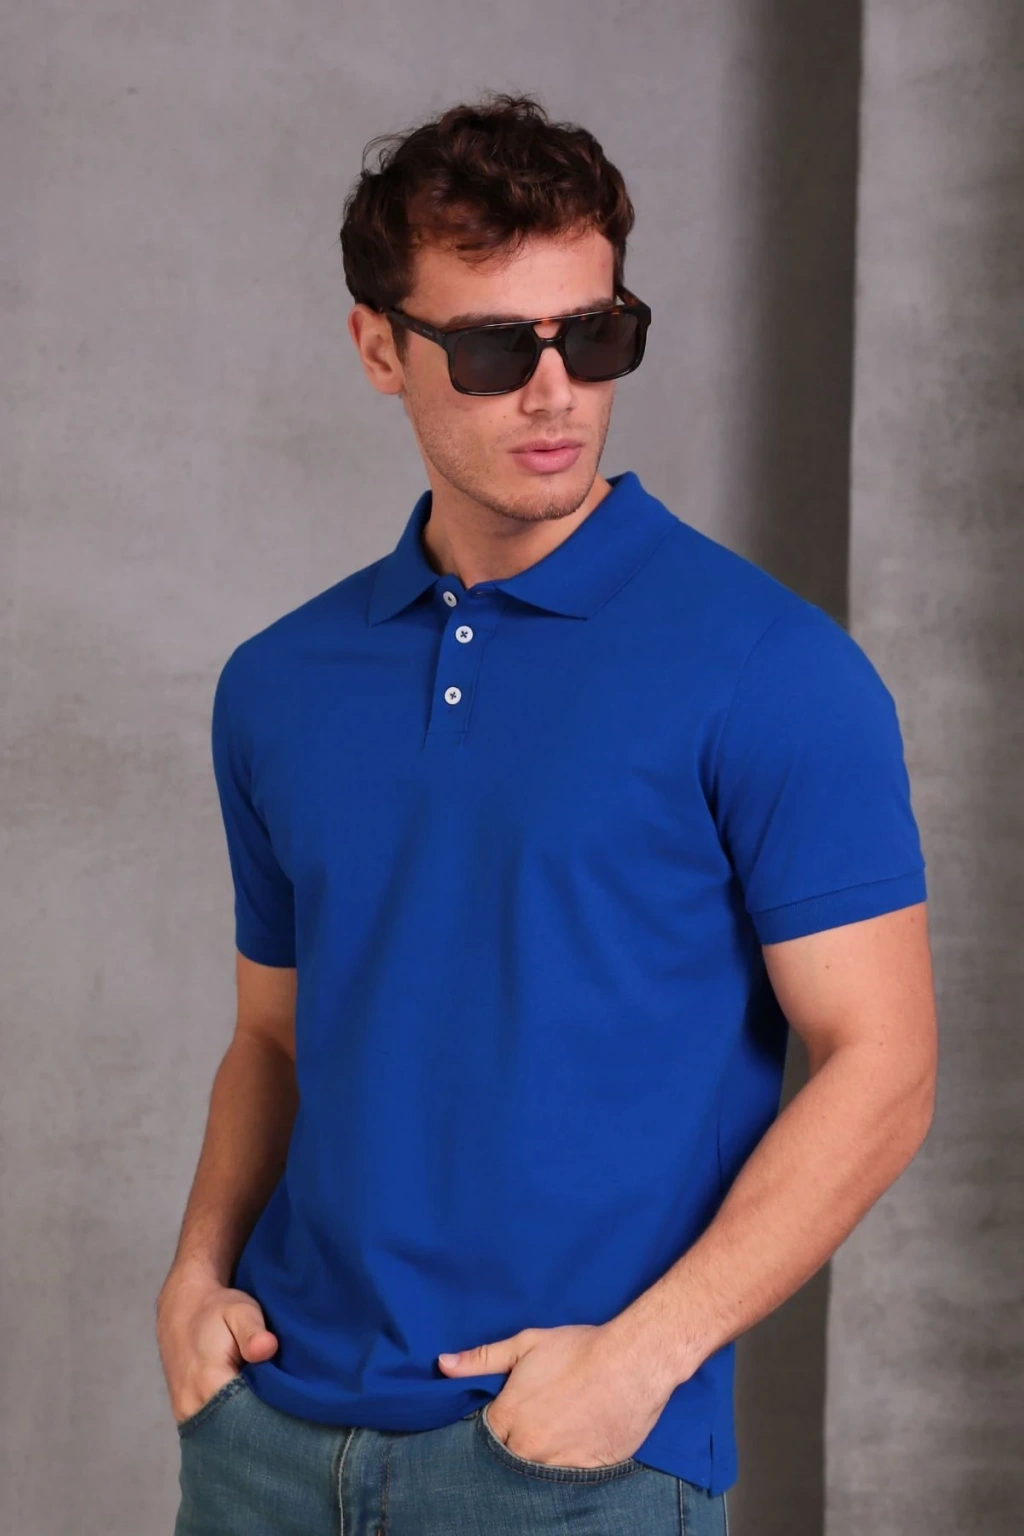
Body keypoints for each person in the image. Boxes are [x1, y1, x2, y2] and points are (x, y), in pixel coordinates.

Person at [156, 91, 938, 1536]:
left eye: (597, 335)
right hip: (267, 1447)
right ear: (379, 348)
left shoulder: (773, 670)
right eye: (496, 348)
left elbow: (883, 1064)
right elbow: (273, 1035)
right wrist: (196, 1279)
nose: (556, 391)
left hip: (570, 1461)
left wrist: (640, 1364)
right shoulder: (278, 683)